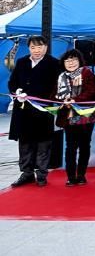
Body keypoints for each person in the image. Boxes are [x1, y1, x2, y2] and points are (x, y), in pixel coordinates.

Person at [8, 35, 61, 187]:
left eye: (39, 47)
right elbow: (12, 82)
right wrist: (17, 91)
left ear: (46, 47)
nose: (36, 50)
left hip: (42, 110)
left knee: (43, 143)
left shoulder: (54, 63)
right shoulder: (22, 62)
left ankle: (42, 174)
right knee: (25, 142)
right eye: (33, 47)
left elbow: (57, 87)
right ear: (29, 48)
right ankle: (27, 173)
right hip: (23, 109)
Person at [55, 49, 95, 186]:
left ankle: (81, 174)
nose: (71, 63)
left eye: (74, 60)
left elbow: (91, 92)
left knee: (85, 145)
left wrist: (75, 100)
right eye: (67, 60)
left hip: (86, 115)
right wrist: (62, 100)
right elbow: (54, 94)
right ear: (63, 63)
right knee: (70, 147)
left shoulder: (87, 73)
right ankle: (70, 176)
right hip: (68, 116)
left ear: (79, 61)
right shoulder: (61, 76)